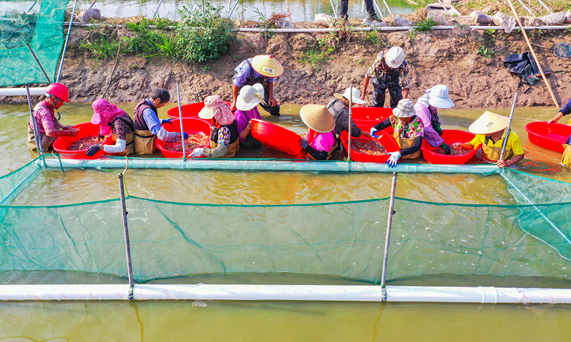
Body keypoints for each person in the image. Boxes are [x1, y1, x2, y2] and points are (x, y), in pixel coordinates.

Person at [454, 111, 524, 168]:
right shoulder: (482, 135)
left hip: (502, 165)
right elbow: (471, 145)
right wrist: (462, 145)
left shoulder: (512, 136)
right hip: (485, 161)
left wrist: (508, 162)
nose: (484, 132)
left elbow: (520, 155)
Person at [370, 99, 424, 167]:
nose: (400, 117)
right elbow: (382, 124)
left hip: (410, 158)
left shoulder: (418, 123)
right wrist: (375, 128)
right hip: (394, 153)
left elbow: (417, 146)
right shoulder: (396, 117)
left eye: (402, 116)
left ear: (409, 115)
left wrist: (399, 153)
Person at [133, 88, 187, 155]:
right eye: (164, 103)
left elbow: (147, 121)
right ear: (158, 100)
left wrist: (161, 121)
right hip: (145, 147)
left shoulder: (145, 103)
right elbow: (163, 135)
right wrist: (179, 135)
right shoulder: (148, 111)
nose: (163, 106)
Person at [27, 83, 78, 153]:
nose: (62, 104)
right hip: (40, 143)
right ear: (53, 99)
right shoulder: (45, 112)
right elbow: (49, 132)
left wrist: (63, 127)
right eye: (62, 101)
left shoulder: (45, 105)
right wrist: (70, 133)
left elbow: (51, 121)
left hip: (42, 136)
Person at [414, 85, 455, 155]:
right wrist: (441, 143)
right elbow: (426, 128)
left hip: (426, 129)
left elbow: (434, 115)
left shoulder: (431, 104)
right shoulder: (421, 107)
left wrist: (437, 125)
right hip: (417, 133)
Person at [235, 84, 264, 149]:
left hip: (257, 137)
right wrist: (249, 127)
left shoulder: (254, 108)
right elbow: (241, 137)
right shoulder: (239, 114)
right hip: (247, 143)